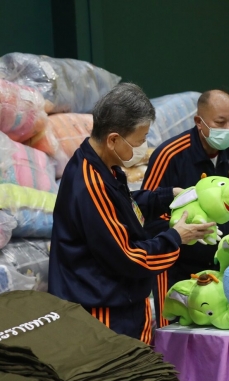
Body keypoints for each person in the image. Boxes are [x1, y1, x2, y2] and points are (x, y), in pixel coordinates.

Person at [49, 83, 216, 344]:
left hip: (122, 302)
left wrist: (166, 196)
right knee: (120, 380)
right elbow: (128, 257)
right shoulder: (90, 184)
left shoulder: (106, 166)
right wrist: (176, 237)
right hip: (102, 312)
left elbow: (124, 209)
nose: (143, 146)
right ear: (114, 139)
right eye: (140, 139)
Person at [141, 89, 229, 328]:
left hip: (219, 265)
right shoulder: (170, 155)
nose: (228, 128)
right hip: (175, 266)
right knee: (174, 334)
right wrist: (182, 230)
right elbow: (147, 212)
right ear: (199, 122)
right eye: (220, 122)